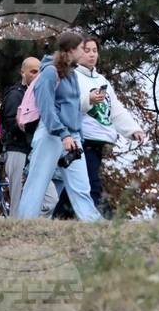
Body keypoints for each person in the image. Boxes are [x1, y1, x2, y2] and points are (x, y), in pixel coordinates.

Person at [16, 31, 102, 221]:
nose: (84, 53)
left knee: (81, 185)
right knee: (37, 181)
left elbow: (73, 108)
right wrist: (63, 134)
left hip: (72, 137)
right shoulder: (49, 72)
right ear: (71, 50)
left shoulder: (71, 73)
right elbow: (47, 109)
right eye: (82, 48)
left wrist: (76, 134)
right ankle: (24, 222)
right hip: (51, 135)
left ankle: (93, 222)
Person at [65, 37, 144, 217]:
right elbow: (66, 106)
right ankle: (105, 219)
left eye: (95, 50)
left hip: (100, 140)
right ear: (77, 51)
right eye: (86, 50)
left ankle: (58, 217)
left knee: (76, 186)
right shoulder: (72, 76)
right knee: (91, 184)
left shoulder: (102, 80)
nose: (92, 54)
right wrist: (88, 100)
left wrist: (133, 130)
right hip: (82, 140)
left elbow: (115, 109)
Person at [0, 57, 41, 217]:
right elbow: (11, 125)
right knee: (16, 201)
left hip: (32, 152)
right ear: (23, 73)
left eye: (39, 72)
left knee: (50, 198)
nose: (37, 76)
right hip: (16, 150)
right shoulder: (15, 95)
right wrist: (31, 123)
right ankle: (15, 233)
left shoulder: (33, 95)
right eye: (33, 71)